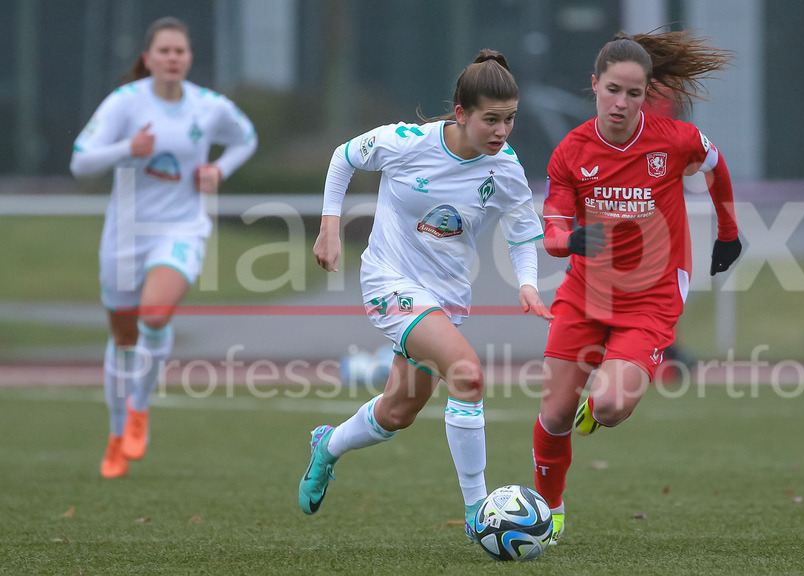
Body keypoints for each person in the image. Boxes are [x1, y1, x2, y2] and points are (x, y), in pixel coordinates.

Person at [300, 50, 552, 542]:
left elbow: (523, 231)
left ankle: (328, 446)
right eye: (491, 120)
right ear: (461, 114)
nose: (502, 131)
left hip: (445, 299)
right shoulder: (407, 142)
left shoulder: (505, 167)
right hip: (389, 281)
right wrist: (329, 227)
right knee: (468, 373)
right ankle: (479, 512)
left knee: (398, 412)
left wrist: (527, 281)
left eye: (510, 120)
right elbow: (344, 157)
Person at [532, 30, 743, 544]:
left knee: (607, 406)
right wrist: (569, 241)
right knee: (555, 412)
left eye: (634, 92)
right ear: (594, 86)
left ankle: (600, 396)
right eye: (612, 90)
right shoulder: (571, 151)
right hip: (586, 294)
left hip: (651, 300)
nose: (621, 102)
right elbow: (553, 226)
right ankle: (549, 507)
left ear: (647, 94)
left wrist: (729, 233)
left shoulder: (674, 140)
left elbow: (716, 169)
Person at [70, 17, 257, 478]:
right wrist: (127, 148)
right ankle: (116, 435)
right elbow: (80, 161)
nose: (173, 58)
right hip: (126, 233)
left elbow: (245, 138)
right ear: (148, 58)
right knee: (124, 337)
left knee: (154, 314)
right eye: (164, 51)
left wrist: (220, 170)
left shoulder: (208, 106)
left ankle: (139, 409)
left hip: (181, 226)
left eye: (180, 51)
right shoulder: (124, 104)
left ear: (189, 58)